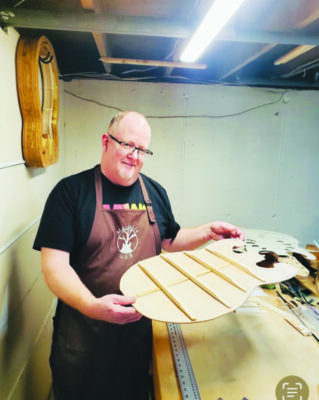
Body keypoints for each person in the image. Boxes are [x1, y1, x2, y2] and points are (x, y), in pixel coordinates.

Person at [33, 111, 244, 400]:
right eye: (128, 145)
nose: (135, 155)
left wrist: (208, 231)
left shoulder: (155, 193)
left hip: (136, 337)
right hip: (83, 338)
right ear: (106, 142)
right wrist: (92, 305)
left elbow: (169, 241)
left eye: (142, 149)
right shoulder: (70, 193)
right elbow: (54, 267)